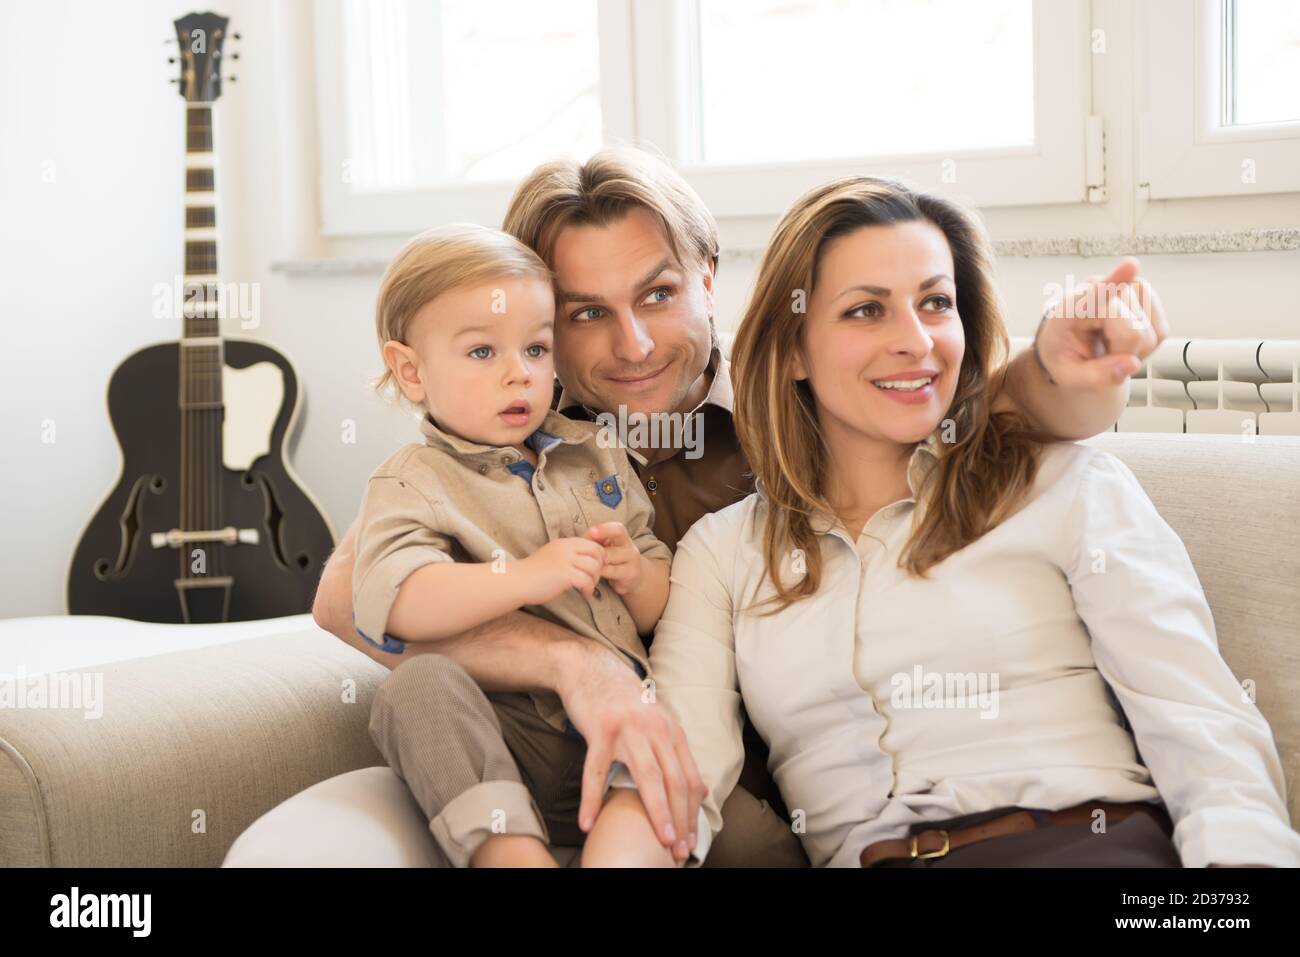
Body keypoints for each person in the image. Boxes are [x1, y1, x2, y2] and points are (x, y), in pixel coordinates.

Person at [311, 146, 1170, 867]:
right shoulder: (511, 430)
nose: (635, 344)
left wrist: (1062, 364)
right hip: (585, 778)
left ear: (707, 277)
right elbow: (347, 597)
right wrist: (575, 664)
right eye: (585, 314)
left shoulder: (799, 398)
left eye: (657, 295)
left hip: (747, 804)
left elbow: (972, 403)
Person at [593, 175, 1300, 867]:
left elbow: (1205, 730)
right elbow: (671, 769)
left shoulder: (1064, 485)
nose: (916, 341)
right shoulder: (723, 552)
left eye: (935, 303)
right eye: (866, 310)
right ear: (796, 350)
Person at [350, 223, 676, 866]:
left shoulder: (597, 453)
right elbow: (397, 601)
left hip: (623, 732)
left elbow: (660, 597)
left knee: (747, 829)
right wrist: (524, 577)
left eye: (535, 349)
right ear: (410, 370)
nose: (517, 376)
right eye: (481, 353)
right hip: (512, 737)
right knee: (418, 687)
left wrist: (636, 574)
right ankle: (510, 854)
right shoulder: (414, 481)